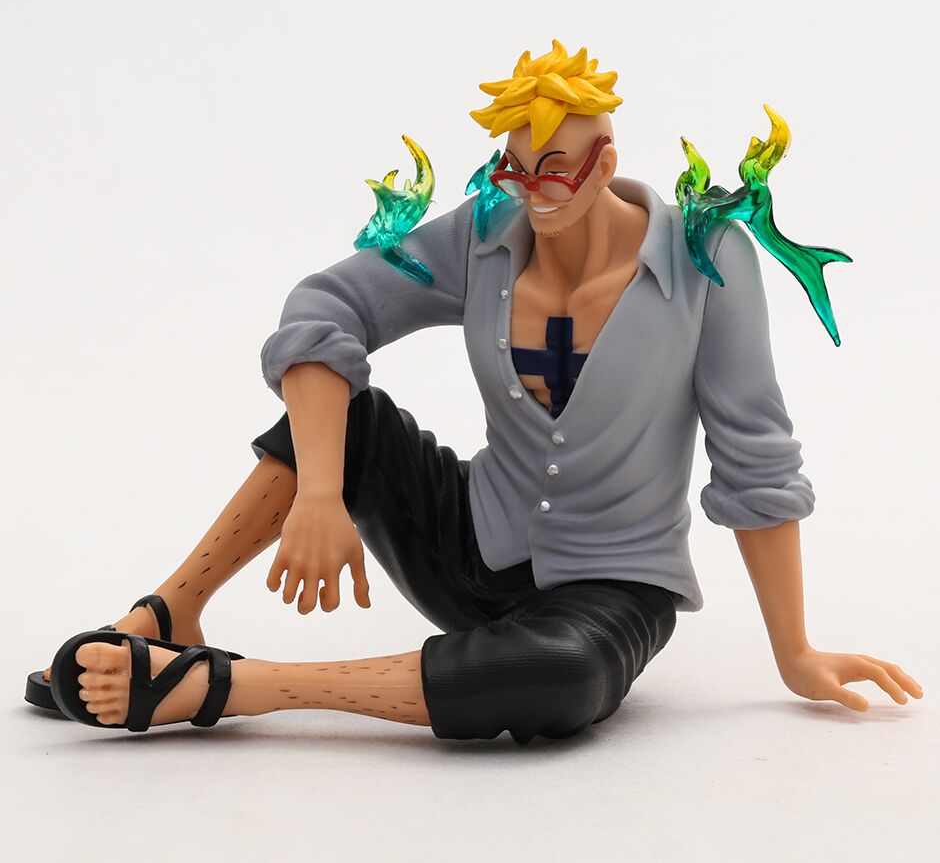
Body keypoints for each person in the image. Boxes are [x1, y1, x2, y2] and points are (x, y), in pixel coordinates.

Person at [37, 40, 922, 741]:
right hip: (469, 538)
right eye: (516, 169)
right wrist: (319, 489)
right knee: (343, 415)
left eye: (555, 170)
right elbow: (326, 308)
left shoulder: (705, 257)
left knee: (562, 680)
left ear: (605, 161)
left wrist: (794, 650)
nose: (534, 193)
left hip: (612, 586)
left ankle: (228, 688)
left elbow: (754, 456)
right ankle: (171, 612)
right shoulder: (485, 233)